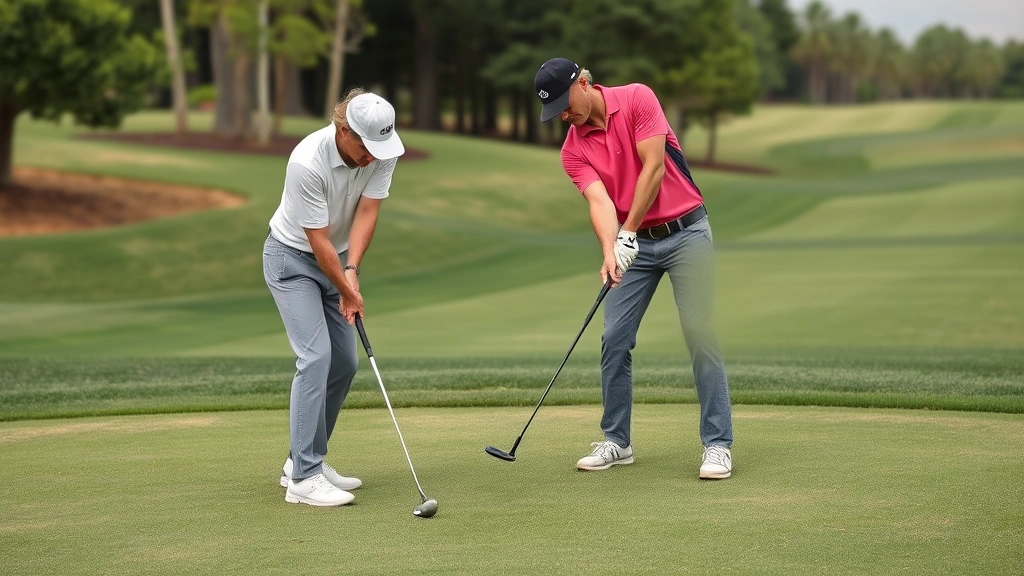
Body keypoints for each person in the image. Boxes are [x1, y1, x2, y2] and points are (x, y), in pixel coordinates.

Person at [534, 58, 734, 479]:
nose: (563, 117)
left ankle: (718, 445)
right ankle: (617, 441)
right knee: (614, 339)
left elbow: (654, 168)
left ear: (583, 83)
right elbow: (600, 202)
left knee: (699, 330)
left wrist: (627, 232)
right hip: (633, 246)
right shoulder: (572, 150)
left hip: (686, 231)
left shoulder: (638, 98)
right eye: (555, 113)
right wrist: (611, 250)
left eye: (564, 106)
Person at [263, 88, 405, 506]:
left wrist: (352, 271)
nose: (372, 157)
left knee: (344, 362)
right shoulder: (307, 161)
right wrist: (346, 290)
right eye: (365, 147)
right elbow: (317, 239)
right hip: (292, 261)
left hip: (337, 261)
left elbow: (368, 211)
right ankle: (303, 480)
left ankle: (303, 458)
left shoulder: (382, 151)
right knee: (315, 358)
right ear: (344, 131)